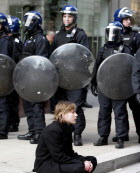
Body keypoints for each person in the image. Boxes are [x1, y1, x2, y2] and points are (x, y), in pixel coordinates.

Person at [33, 101, 100, 173]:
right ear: (63, 115)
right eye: (72, 112)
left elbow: (69, 153)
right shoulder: (53, 130)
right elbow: (58, 156)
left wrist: (84, 161)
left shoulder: (67, 127)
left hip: (61, 160)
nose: (76, 115)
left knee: (92, 160)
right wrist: (81, 164)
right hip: (48, 164)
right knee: (79, 167)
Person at [51, 5, 90, 146]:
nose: (67, 19)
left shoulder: (80, 34)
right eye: (65, 16)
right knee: (61, 107)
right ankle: (63, 134)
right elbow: (53, 56)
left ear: (74, 18)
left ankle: (77, 134)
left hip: (75, 78)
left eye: (70, 16)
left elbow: (85, 56)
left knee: (75, 106)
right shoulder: (58, 35)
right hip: (61, 77)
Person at [91, 21, 133, 149]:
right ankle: (103, 136)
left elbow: (130, 69)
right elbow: (97, 66)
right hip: (104, 86)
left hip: (119, 88)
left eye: (114, 32)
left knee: (119, 113)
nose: (111, 35)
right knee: (103, 112)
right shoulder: (103, 49)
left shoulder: (125, 49)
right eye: (109, 32)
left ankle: (120, 137)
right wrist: (93, 82)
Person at [17, 11, 50, 144]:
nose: (27, 24)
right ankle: (32, 131)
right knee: (28, 105)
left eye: (30, 21)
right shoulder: (29, 37)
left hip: (37, 78)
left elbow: (41, 59)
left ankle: (39, 133)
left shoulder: (40, 39)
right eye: (26, 20)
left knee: (37, 106)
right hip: (26, 76)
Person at [114, 7, 140, 143]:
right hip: (118, 78)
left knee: (136, 108)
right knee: (120, 109)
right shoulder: (112, 34)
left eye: (130, 19)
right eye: (125, 19)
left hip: (132, 78)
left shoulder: (136, 36)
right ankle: (122, 134)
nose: (128, 21)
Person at [7, 16, 23, 132]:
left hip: (13, 74)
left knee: (12, 100)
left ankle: (13, 123)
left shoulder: (15, 42)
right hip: (10, 73)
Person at [0, 13, 13, 139]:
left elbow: (3, 60)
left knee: (2, 104)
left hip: (2, 76)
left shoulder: (4, 41)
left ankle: (2, 131)